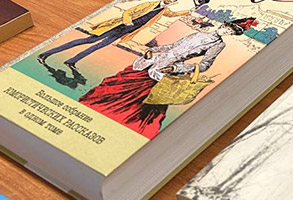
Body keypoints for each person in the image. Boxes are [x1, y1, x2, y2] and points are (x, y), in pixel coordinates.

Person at [78, 18, 257, 139]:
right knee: (117, 84)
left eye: (230, 32)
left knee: (142, 100)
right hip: (154, 60)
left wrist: (175, 68)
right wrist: (152, 50)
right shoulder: (199, 33)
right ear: (223, 25)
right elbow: (173, 46)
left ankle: (121, 128)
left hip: (166, 70)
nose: (226, 31)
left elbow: (204, 65)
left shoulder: (218, 45)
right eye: (227, 28)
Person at [37, 0, 206, 69]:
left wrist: (191, 10)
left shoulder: (164, 10)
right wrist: (127, 21)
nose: (171, 0)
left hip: (125, 32)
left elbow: (173, 14)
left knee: (98, 46)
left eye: (174, 0)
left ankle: (71, 61)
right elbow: (128, 12)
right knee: (88, 40)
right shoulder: (149, 4)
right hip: (119, 26)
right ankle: (46, 54)